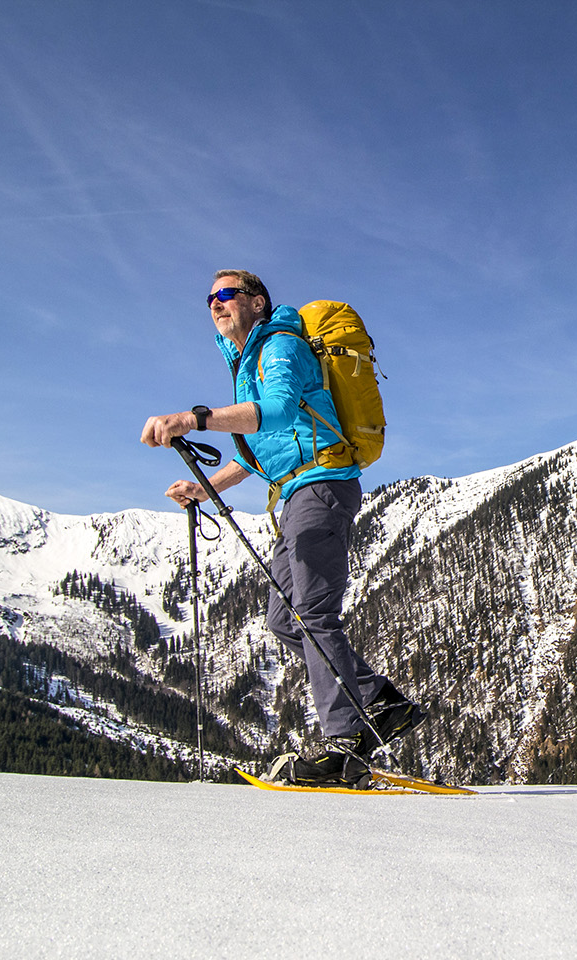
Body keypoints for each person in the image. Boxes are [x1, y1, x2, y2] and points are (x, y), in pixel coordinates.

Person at [141, 269, 422, 786]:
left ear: (257, 302)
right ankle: (380, 701)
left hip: (322, 485)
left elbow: (276, 410)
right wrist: (205, 488)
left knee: (312, 613)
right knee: (284, 620)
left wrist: (193, 419)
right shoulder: (248, 361)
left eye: (227, 294)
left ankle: (344, 743)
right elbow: (259, 450)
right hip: (294, 494)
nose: (216, 303)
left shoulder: (279, 344)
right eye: (210, 298)